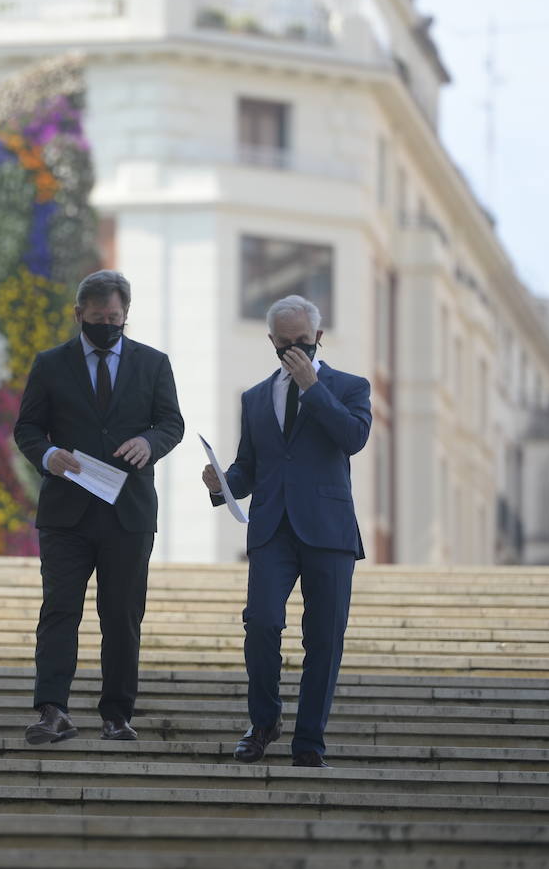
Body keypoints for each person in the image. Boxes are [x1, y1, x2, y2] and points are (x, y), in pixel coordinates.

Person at [14, 270, 184, 744]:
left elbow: (172, 422)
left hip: (128, 513)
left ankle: (117, 715)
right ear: (78, 315)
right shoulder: (50, 365)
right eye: (97, 318)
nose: (107, 325)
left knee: (123, 614)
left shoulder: (153, 364)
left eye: (114, 318)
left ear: (126, 314)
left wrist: (150, 444)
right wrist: (49, 456)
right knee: (59, 611)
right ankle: (52, 711)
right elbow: (27, 428)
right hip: (66, 513)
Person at [202, 294, 370, 768]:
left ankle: (309, 742)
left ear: (318, 337)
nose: (296, 351)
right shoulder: (255, 397)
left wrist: (313, 386)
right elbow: (251, 467)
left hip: (329, 530)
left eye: (304, 342)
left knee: (323, 638)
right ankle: (263, 722)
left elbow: (353, 438)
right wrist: (222, 484)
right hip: (273, 528)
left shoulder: (351, 386)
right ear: (271, 341)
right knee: (260, 621)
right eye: (286, 344)